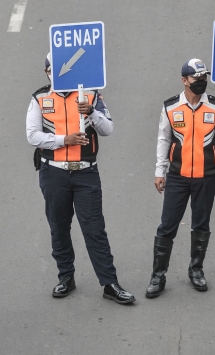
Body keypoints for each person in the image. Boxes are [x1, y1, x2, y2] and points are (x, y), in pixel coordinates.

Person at [26, 53, 135, 305]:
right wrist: (65, 140)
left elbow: (108, 129)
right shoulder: (40, 98)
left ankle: (110, 283)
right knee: (59, 227)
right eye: (52, 70)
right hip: (53, 173)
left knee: (95, 229)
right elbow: (32, 136)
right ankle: (66, 277)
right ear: (47, 72)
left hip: (86, 173)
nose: (59, 74)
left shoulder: (91, 95)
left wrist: (91, 113)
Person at [146, 58, 215, 298]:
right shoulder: (170, 108)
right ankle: (158, 275)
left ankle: (196, 270)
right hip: (177, 177)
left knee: (201, 224)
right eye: (197, 78)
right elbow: (164, 139)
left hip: (206, 178)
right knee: (167, 226)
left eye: (204, 78)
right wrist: (160, 171)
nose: (202, 82)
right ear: (184, 80)